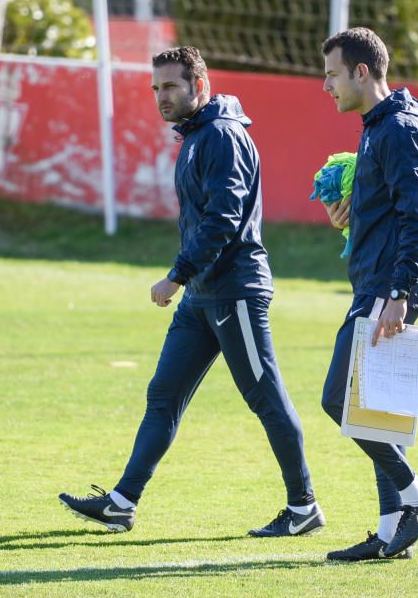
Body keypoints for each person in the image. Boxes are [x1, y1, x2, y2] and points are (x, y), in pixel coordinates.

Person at [58, 46, 324, 538]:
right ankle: (122, 502)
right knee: (163, 395)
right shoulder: (198, 135)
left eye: (172, 87)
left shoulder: (222, 136)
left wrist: (176, 275)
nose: (162, 97)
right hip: (203, 295)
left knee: (265, 397)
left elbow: (224, 218)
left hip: (235, 292)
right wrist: (189, 281)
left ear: (199, 86)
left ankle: (303, 506)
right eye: (156, 88)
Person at [318, 27, 418, 561]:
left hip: (388, 287)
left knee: (338, 401)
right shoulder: (376, 126)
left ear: (361, 72)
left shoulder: (397, 128)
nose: (326, 86)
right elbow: (393, 209)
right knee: (373, 412)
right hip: (375, 281)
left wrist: (398, 291)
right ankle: (391, 529)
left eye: (331, 74)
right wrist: (351, 215)